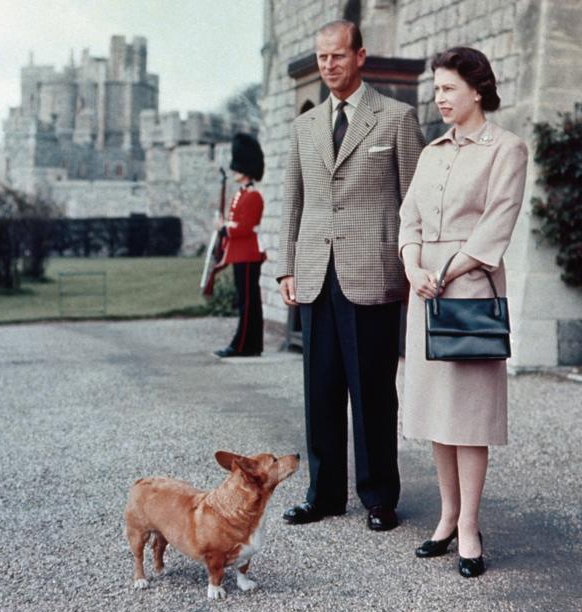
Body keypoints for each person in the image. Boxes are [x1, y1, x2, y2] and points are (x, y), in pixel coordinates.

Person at [277, 20, 425, 530]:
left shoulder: (397, 120)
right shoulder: (305, 125)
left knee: (373, 391)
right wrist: (285, 268)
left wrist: (414, 264)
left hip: (373, 273)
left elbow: (415, 202)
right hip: (316, 272)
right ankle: (323, 494)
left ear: (360, 56)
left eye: (337, 56)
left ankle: (379, 496)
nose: (328, 66)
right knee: (319, 390)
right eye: (321, 58)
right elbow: (292, 201)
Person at [398, 47, 528, 577]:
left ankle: (470, 525)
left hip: (468, 289)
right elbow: (407, 219)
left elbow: (497, 224)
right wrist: (411, 266)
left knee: (469, 417)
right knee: (436, 414)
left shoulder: (508, 149)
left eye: (448, 88)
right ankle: (447, 517)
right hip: (424, 292)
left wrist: (445, 271)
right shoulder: (431, 153)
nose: (440, 98)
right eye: (436, 90)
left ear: (477, 90)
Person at [214, 133, 266, 358]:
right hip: (240, 253)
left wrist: (223, 228)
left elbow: (244, 227)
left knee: (248, 302)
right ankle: (252, 344)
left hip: (248, 254)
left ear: (245, 170)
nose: (234, 171)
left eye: (238, 167)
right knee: (247, 301)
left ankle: (242, 344)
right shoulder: (242, 194)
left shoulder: (253, 196)